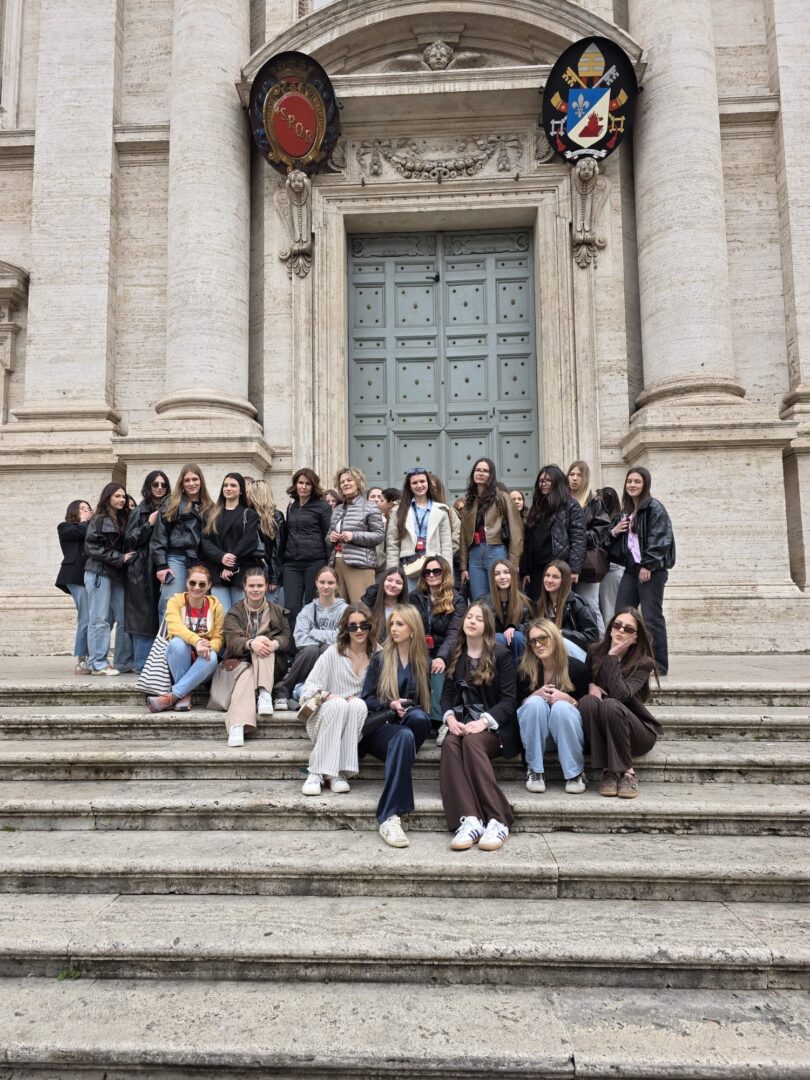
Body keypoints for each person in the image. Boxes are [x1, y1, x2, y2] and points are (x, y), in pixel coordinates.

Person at [439, 603, 518, 852]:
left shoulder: (501, 655)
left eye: (478, 619)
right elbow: (446, 695)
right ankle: (470, 819)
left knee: (472, 741)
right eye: (469, 617)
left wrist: (483, 722)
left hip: (496, 729)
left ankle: (498, 819)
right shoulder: (456, 653)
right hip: (463, 723)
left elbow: (509, 701)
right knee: (450, 743)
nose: (471, 621)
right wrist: (450, 719)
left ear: (487, 626)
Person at [360, 605, 432, 848]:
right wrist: (390, 703)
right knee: (404, 736)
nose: (393, 628)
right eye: (392, 624)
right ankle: (389, 817)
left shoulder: (422, 661)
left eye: (400, 624)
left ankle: (401, 757)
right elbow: (366, 699)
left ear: (413, 629)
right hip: (380, 729)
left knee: (419, 720)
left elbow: (424, 704)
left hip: (407, 724)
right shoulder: (380, 659)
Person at [580, 607, 661, 798]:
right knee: (587, 702)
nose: (621, 631)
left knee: (610, 704)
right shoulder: (594, 651)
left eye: (628, 629)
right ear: (610, 628)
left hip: (636, 732)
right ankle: (608, 771)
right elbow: (580, 683)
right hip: (603, 729)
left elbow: (620, 695)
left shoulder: (643, 662)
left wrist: (612, 657)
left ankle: (627, 773)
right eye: (617, 625)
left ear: (636, 637)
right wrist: (590, 685)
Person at [299, 603, 377, 796]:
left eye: (363, 625)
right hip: (325, 717)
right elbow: (306, 692)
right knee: (339, 704)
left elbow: (382, 694)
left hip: (355, 719)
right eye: (352, 626)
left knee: (357, 704)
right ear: (345, 628)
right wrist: (328, 695)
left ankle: (337, 772)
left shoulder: (379, 654)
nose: (358, 630)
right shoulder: (333, 652)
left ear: (370, 626)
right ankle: (316, 773)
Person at [609, 467, 675, 675]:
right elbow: (618, 545)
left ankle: (658, 665)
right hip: (631, 570)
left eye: (637, 481)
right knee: (622, 613)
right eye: (629, 481)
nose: (632, 485)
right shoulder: (628, 512)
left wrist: (648, 564)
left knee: (651, 616)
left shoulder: (655, 508)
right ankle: (623, 661)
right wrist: (615, 531)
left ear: (645, 484)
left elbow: (661, 539)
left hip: (651, 570)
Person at [517, 619, 589, 794]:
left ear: (555, 638)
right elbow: (515, 708)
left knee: (561, 707)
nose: (538, 644)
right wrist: (535, 695)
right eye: (533, 641)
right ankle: (535, 771)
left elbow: (587, 710)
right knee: (534, 703)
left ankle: (575, 773)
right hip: (536, 738)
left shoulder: (577, 668)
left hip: (569, 737)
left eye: (543, 638)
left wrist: (569, 699)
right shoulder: (524, 670)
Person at [221, 567, 292, 746]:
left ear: (266, 586)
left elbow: (286, 637)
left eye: (259, 585)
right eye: (251, 585)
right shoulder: (234, 612)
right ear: (244, 587)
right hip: (240, 665)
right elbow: (231, 640)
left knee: (264, 642)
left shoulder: (278, 611)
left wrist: (275, 644)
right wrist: (250, 644)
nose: (255, 589)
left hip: (272, 666)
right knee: (247, 672)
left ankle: (262, 694)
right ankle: (239, 723)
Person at [146, 564, 223, 713]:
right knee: (177, 643)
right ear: (187, 583)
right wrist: (197, 641)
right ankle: (184, 694)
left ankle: (172, 697)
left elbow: (219, 639)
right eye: (192, 583)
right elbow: (174, 627)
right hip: (178, 660)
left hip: (202, 664)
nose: (196, 587)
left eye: (202, 584)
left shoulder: (215, 606)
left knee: (212, 656)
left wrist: (209, 645)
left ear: (209, 586)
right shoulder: (175, 602)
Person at [272, 565, 346, 709]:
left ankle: (323, 692)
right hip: (309, 657)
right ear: (316, 583)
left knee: (327, 649)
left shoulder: (344, 610)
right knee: (312, 650)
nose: (326, 586)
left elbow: (342, 638)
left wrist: (314, 633)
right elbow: (299, 639)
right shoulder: (308, 610)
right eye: (322, 582)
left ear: (337, 584)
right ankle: (283, 692)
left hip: (333, 658)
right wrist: (324, 640)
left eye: (330, 582)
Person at [84, 483, 136, 675]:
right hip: (99, 572)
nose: (122, 499)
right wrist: (119, 557)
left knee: (124, 619)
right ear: (108, 497)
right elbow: (91, 547)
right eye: (117, 496)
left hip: (117, 574)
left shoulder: (123, 519)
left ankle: (123, 661)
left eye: (123, 496)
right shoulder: (98, 519)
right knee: (99, 619)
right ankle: (98, 663)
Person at [151, 463, 214, 619]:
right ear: (182, 483)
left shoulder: (209, 506)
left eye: (195, 479)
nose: (191, 483)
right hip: (176, 558)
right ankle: (166, 636)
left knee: (197, 607)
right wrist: (161, 565)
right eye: (187, 480)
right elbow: (160, 534)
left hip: (200, 561)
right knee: (170, 603)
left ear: (201, 481)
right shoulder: (172, 502)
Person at [410, 555, 466, 722]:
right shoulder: (415, 597)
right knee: (421, 663)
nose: (431, 575)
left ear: (445, 573)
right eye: (427, 572)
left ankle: (438, 720)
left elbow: (454, 633)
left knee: (437, 667)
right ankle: (417, 715)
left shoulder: (456, 600)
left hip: (446, 649)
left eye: (436, 571)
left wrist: (441, 656)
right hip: (421, 648)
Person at [458, 457, 523, 601]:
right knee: (479, 600)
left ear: (491, 475)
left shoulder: (502, 497)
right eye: (478, 470)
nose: (481, 473)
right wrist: (463, 566)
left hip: (496, 550)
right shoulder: (469, 501)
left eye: (485, 471)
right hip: (474, 554)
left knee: (501, 597)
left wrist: (514, 562)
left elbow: (516, 531)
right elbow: (463, 536)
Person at [520, 464, 586, 603]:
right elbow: (528, 541)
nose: (543, 484)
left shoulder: (571, 505)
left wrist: (574, 569)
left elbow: (578, 538)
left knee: (559, 607)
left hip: (559, 567)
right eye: (540, 481)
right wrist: (525, 571)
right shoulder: (537, 507)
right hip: (536, 569)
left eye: (548, 480)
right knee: (537, 607)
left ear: (557, 481)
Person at [125, 470, 170, 672]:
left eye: (163, 485)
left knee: (164, 613)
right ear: (148, 487)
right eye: (155, 484)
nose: (159, 488)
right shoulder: (139, 511)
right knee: (143, 618)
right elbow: (129, 541)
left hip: (163, 566)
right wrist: (148, 524)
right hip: (142, 569)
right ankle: (142, 665)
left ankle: (160, 665)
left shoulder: (171, 508)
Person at [282, 468, 332, 640]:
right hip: (292, 563)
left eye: (308, 484)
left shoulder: (322, 507)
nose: (303, 487)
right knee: (291, 607)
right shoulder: (292, 506)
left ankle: (312, 643)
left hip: (315, 562)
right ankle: (293, 647)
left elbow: (328, 536)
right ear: (295, 484)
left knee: (313, 605)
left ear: (313, 486)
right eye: (300, 483)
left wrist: (328, 565)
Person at [201, 472, 259, 612]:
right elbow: (205, 541)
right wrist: (221, 557)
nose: (228, 488)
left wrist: (231, 564)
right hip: (217, 570)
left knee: (240, 614)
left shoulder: (249, 514)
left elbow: (249, 542)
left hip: (240, 570)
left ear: (241, 490)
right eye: (225, 485)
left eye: (233, 485)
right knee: (222, 614)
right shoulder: (211, 513)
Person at [385, 469, 453, 588]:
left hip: (434, 567)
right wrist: (392, 571)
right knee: (411, 599)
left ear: (428, 483)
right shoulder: (398, 511)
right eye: (414, 483)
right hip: (408, 566)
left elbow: (446, 544)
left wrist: (447, 571)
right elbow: (392, 545)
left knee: (434, 598)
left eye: (422, 481)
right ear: (409, 486)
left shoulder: (441, 510)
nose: (419, 485)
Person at [328, 466, 386, 603]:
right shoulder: (337, 509)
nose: (345, 484)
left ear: (358, 483)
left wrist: (354, 536)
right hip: (337, 563)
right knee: (338, 609)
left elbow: (379, 535)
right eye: (342, 482)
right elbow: (328, 535)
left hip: (360, 565)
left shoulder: (370, 507)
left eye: (349, 480)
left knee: (361, 608)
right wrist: (331, 538)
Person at [56, 499, 93, 674]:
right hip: (74, 576)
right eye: (82, 508)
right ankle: (81, 659)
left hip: (93, 575)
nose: (86, 511)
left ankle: (94, 656)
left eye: (88, 508)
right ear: (73, 511)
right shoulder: (65, 527)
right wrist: (85, 520)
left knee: (95, 618)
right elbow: (79, 532)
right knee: (85, 617)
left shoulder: (92, 526)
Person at [535, 559, 599, 661]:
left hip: (578, 655)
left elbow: (592, 637)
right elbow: (530, 624)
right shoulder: (542, 604)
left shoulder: (577, 603)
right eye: (547, 575)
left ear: (564, 580)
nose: (549, 580)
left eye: (555, 577)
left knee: (559, 641)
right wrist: (514, 628)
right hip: (552, 653)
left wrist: (563, 633)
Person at [485, 558, 533, 663]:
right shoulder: (484, 602)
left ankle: (521, 672)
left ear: (513, 576)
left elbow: (532, 624)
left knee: (517, 636)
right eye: (497, 574)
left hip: (519, 645)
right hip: (495, 644)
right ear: (492, 578)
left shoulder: (525, 601)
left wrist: (515, 628)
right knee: (498, 638)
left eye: (506, 572)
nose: (502, 577)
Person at [246, 478, 286, 600]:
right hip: (249, 567)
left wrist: (274, 577)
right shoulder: (247, 515)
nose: (246, 495)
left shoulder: (276, 516)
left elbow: (278, 549)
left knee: (269, 606)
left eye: (248, 492)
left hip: (266, 568)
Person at [595, 486, 624, 626]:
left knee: (609, 611)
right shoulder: (605, 518)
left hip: (612, 569)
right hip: (605, 569)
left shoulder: (618, 519)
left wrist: (611, 533)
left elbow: (604, 544)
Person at [361, 565, 408, 641]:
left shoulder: (408, 609)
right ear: (383, 581)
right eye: (389, 580)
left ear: (403, 587)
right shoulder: (370, 602)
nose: (393, 585)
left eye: (398, 582)